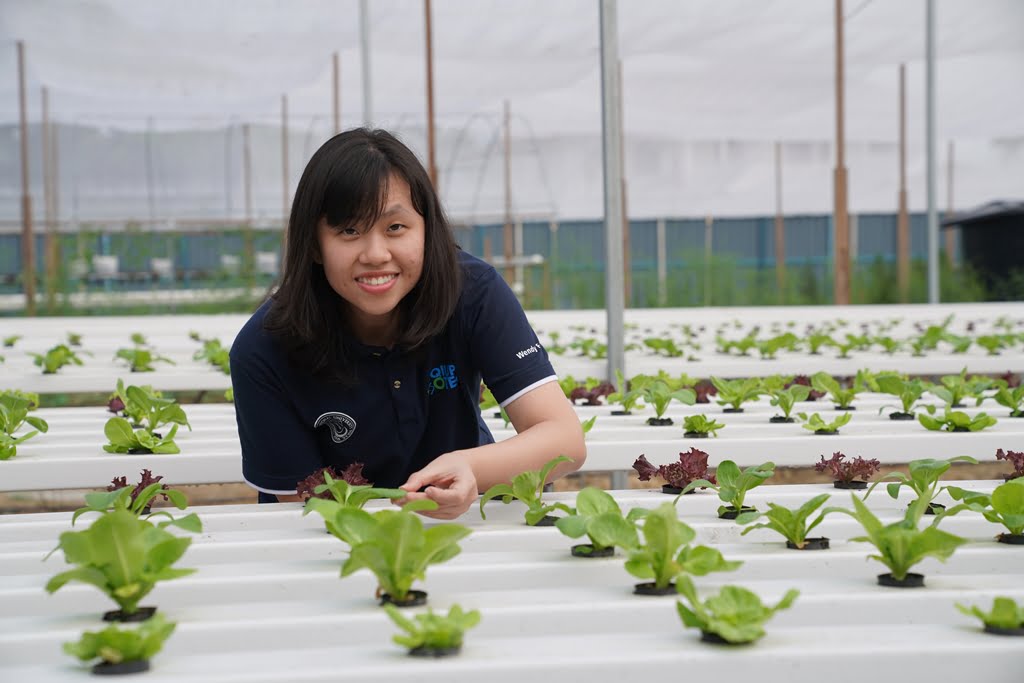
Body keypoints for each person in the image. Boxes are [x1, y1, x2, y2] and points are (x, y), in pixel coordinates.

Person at [229, 128, 586, 519]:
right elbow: (301, 509)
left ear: (427, 229)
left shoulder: (472, 293)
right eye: (349, 230)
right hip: (336, 536)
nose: (375, 254)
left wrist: (470, 467)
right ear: (314, 244)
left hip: (463, 519)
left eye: (395, 228)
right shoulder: (264, 348)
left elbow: (565, 439)